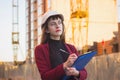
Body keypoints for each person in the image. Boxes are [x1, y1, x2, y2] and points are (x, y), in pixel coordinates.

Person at [34, 10, 87, 80]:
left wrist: (76, 73)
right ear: (46, 30)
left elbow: (84, 72)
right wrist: (64, 65)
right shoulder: (40, 49)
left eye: (59, 23)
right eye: (53, 24)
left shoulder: (71, 48)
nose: (57, 26)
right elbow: (45, 77)